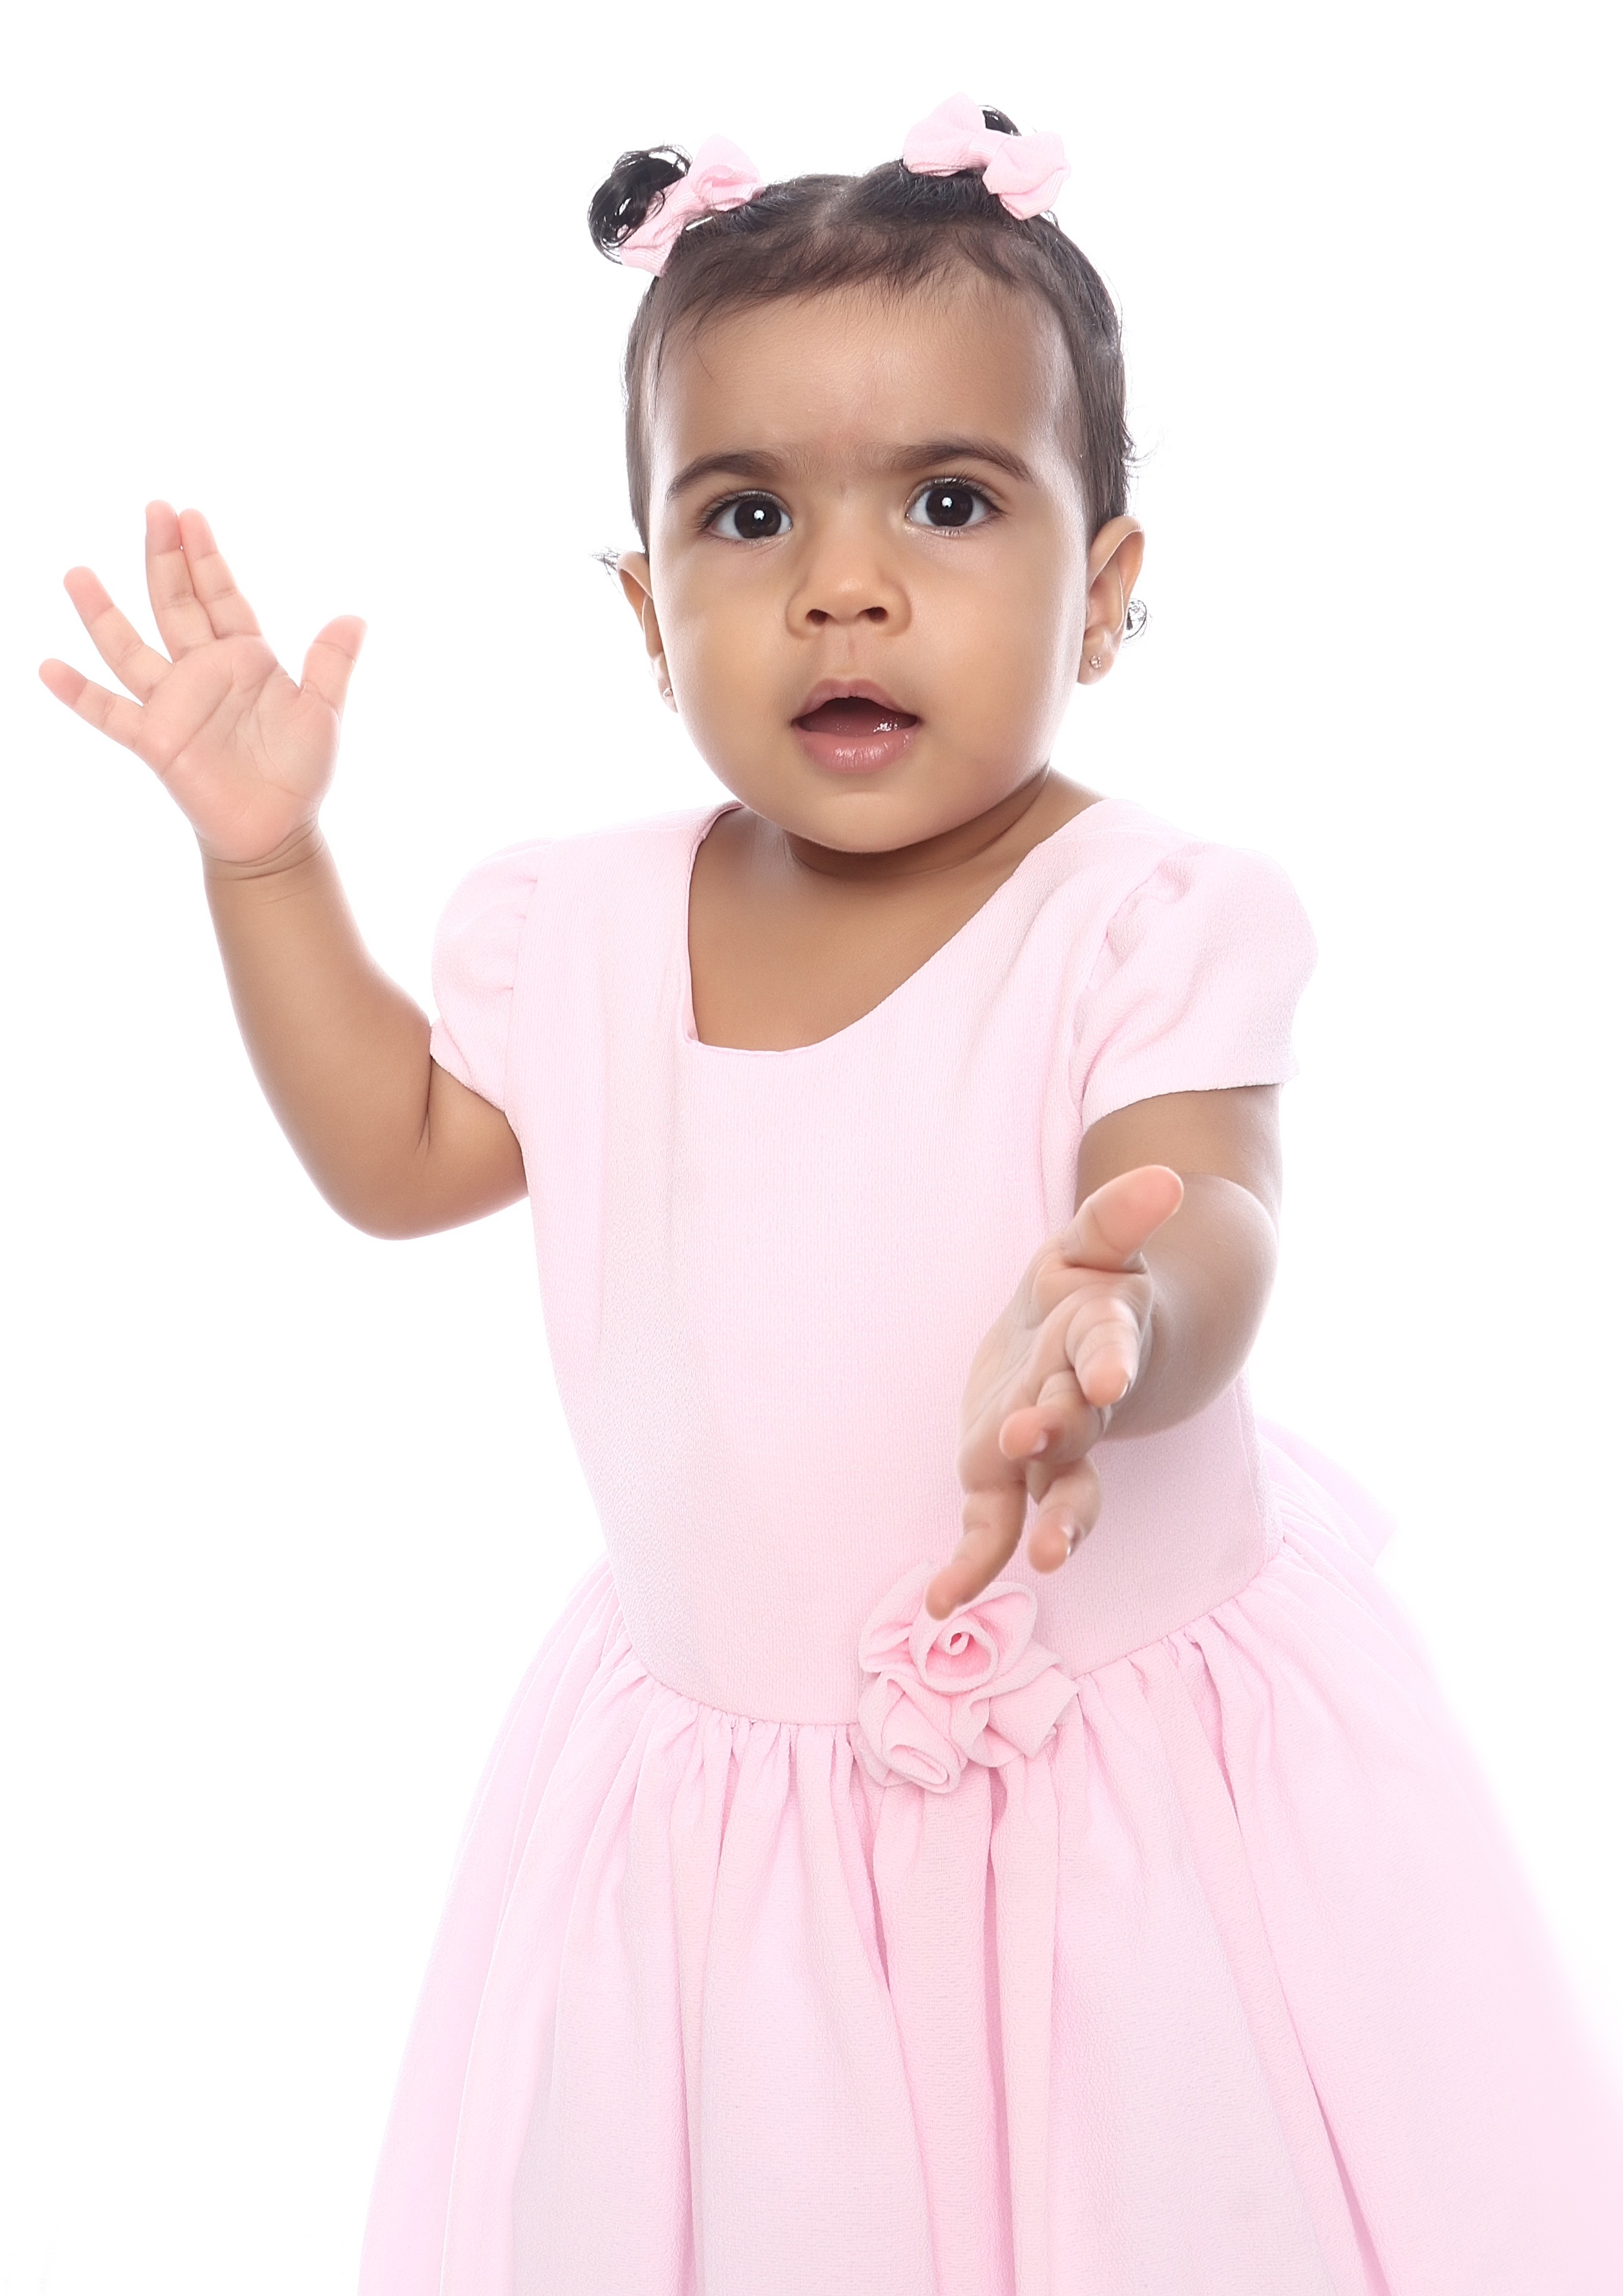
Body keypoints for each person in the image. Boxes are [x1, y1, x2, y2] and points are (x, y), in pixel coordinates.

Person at [39, 91, 1622, 2296]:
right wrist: (269, 862)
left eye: (949, 502)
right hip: (733, 1834)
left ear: (1105, 594)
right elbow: (394, 1161)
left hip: (1125, 1816)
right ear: (642, 605)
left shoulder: (1137, 918)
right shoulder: (579, 929)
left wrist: (1121, 1318)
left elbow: (1203, 1197)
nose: (842, 583)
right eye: (748, 513)